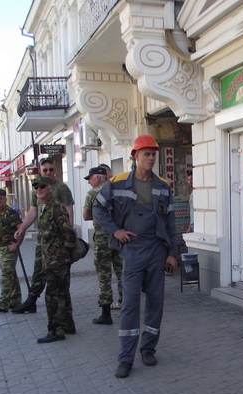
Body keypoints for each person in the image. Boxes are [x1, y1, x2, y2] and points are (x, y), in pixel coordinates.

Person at [93, 134, 178, 378]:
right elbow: (98, 207)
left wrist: (172, 253)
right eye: (146, 154)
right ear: (135, 156)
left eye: (153, 154)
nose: (151, 158)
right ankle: (125, 358)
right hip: (132, 250)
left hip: (156, 250)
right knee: (130, 304)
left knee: (155, 303)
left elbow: (170, 223)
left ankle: (148, 349)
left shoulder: (163, 186)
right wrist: (115, 231)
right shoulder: (118, 182)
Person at [12, 158, 75, 314]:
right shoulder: (38, 188)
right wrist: (22, 229)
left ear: (55, 171)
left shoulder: (61, 188)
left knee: (58, 277)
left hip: (57, 242)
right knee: (38, 270)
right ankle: (31, 300)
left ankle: (60, 310)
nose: (48, 172)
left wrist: (68, 241)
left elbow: (69, 214)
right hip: (43, 239)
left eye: (50, 169)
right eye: (45, 170)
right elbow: (32, 211)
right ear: (40, 171)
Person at [34, 176, 76, 343]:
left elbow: (69, 232)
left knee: (52, 296)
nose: (39, 189)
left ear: (50, 188)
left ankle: (55, 331)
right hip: (50, 259)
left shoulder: (56, 208)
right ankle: (67, 325)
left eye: (42, 186)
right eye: (36, 187)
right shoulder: (42, 207)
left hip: (56, 260)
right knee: (62, 293)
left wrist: (63, 251)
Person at [83, 166, 123, 324]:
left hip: (102, 239)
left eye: (90, 179)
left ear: (98, 178)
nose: (89, 182)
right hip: (119, 237)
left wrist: (100, 215)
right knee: (122, 273)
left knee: (104, 276)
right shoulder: (117, 190)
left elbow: (86, 215)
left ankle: (106, 314)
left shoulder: (93, 193)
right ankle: (126, 305)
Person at [0, 189, 23, 313]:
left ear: (5, 199)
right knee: (11, 275)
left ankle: (3, 304)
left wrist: (16, 244)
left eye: (0, 198)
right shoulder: (0, 213)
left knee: (6, 276)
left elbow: (21, 228)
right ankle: (15, 301)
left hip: (9, 248)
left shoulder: (10, 213)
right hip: (2, 249)